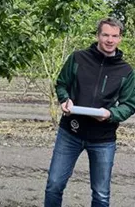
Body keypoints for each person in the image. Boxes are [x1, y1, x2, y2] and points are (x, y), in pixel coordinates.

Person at [44, 17, 135, 207]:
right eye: (105, 35)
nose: (110, 40)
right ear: (98, 35)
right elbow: (62, 84)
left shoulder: (126, 71)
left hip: (103, 139)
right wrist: (64, 99)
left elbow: (129, 104)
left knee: (101, 194)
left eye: (115, 36)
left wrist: (110, 114)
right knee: (54, 185)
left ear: (120, 38)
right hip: (70, 132)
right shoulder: (77, 58)